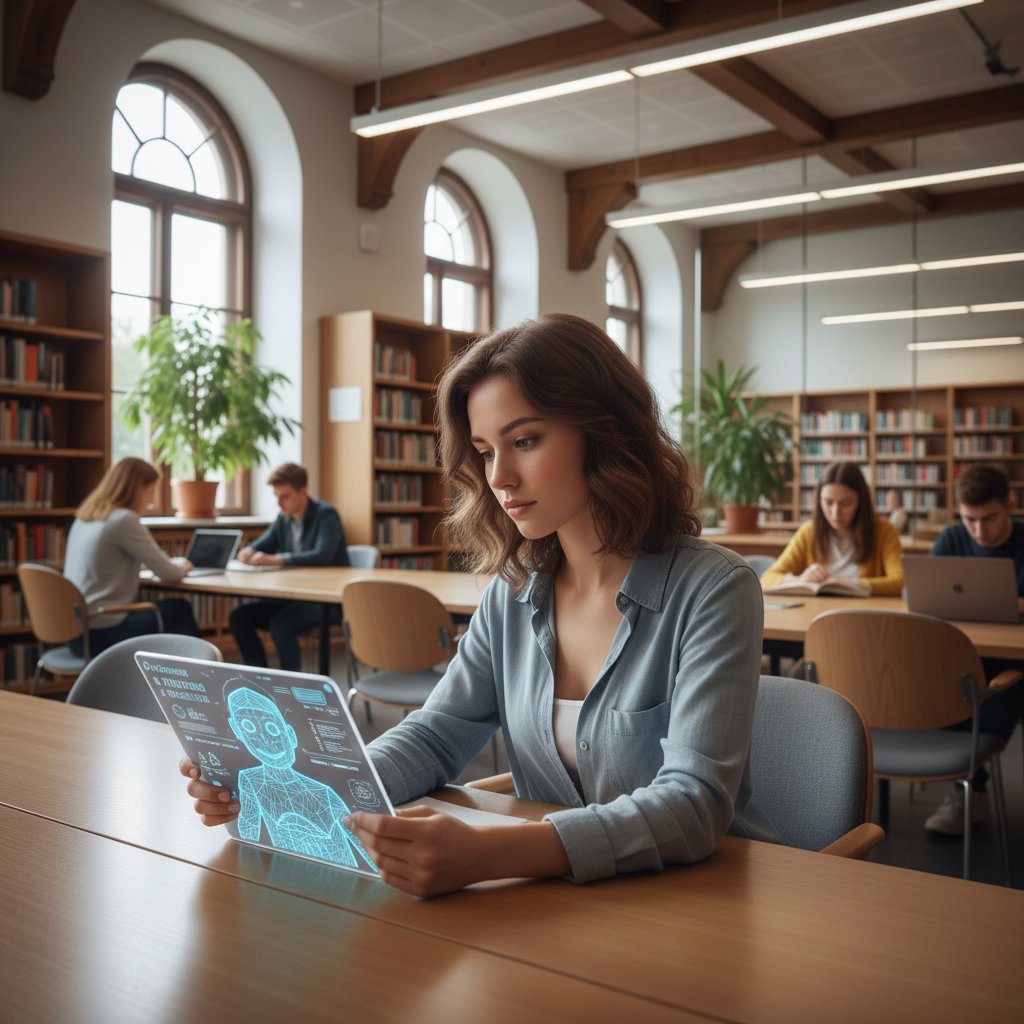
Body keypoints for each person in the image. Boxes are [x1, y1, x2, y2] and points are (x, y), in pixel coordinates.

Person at [184, 313, 776, 897]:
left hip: (688, 904)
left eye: (524, 441)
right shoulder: (513, 591)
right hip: (545, 907)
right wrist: (304, 782)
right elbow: (438, 735)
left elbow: (692, 804)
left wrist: (494, 853)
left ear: (606, 432)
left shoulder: (714, 589)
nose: (501, 477)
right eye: (486, 452)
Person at [923, 463, 1024, 836]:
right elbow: (924, 594)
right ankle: (969, 788)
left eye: (989, 519)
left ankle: (970, 786)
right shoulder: (951, 539)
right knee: (937, 681)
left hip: (1011, 662)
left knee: (1002, 686)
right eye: (969, 520)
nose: (979, 531)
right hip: (957, 656)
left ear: (1010, 504)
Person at [64, 457, 200, 656]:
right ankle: (197, 680)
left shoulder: (85, 518)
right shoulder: (124, 520)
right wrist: (184, 565)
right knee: (180, 610)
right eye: (151, 490)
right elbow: (169, 572)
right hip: (102, 633)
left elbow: (107, 565)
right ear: (137, 488)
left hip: (74, 632)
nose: (152, 500)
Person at [229, 462, 349, 671]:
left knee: (281, 625)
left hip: (325, 601)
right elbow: (263, 544)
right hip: (292, 597)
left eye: (285, 496)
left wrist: (276, 560)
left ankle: (289, 690)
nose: (279, 503)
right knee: (239, 618)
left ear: (303, 491)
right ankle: (260, 677)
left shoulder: (326, 515)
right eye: (276, 496)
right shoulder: (283, 519)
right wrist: (248, 551)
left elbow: (322, 555)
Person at [760, 462, 904, 595]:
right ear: (819, 500)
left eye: (846, 503)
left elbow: (900, 581)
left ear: (861, 501)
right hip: (816, 614)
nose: (836, 512)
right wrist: (800, 579)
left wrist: (850, 585)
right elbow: (767, 578)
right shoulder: (809, 532)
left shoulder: (884, 532)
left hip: (863, 616)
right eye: (828, 502)